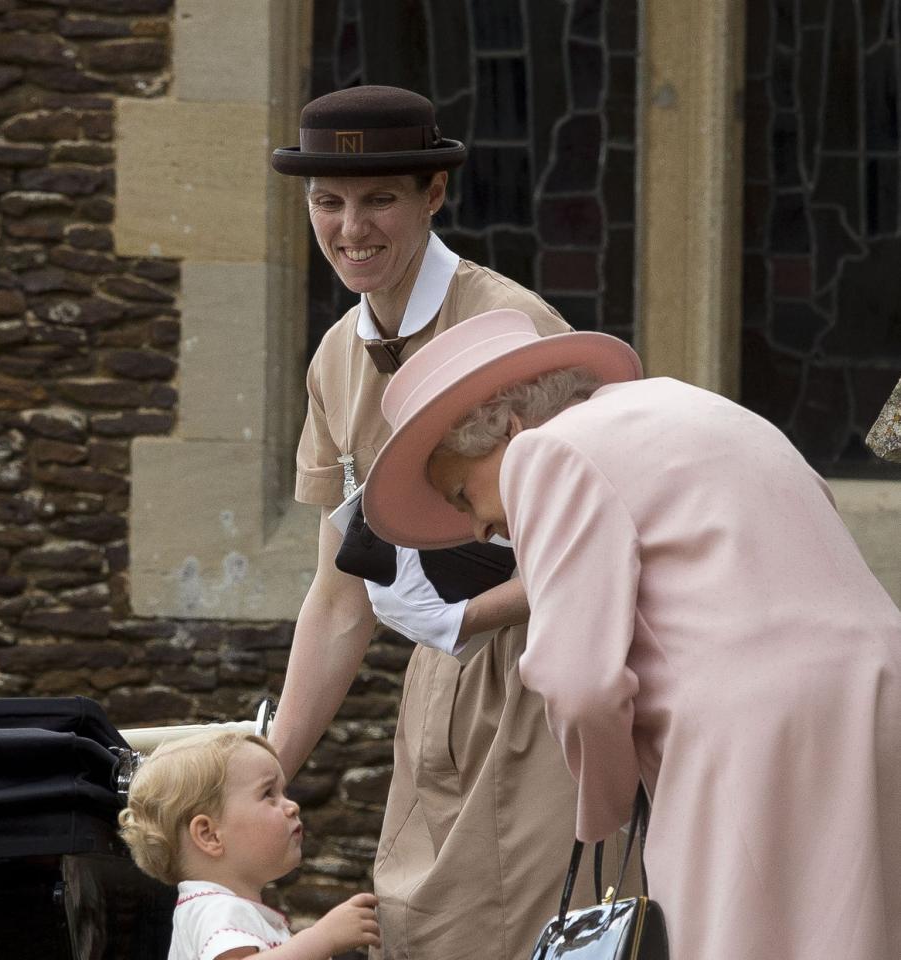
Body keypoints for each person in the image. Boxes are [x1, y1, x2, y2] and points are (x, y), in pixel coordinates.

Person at [362, 307, 901, 959]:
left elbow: (579, 683)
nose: (478, 530)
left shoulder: (545, 450)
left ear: (505, 427)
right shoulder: (701, 409)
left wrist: (607, 807)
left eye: (461, 495)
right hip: (879, 698)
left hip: (747, 736)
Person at [264, 85, 615, 956]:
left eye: (380, 197)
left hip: (549, 692)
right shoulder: (335, 359)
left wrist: (467, 615)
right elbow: (341, 598)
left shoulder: (513, 329)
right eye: (328, 202)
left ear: (433, 195)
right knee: (416, 934)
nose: (351, 228)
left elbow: (607, 543)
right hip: (435, 701)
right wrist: (267, 767)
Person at [119, 731, 380, 960]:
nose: (292, 806)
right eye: (268, 794)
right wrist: (322, 939)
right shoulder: (216, 909)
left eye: (284, 793)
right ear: (210, 835)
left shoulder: (219, 908)